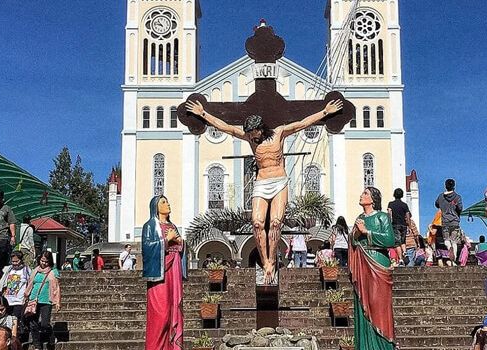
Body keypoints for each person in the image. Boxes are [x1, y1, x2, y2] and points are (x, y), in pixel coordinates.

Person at [186, 99, 343, 284]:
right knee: (257, 223)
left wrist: (325, 112)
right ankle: (266, 261)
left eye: (254, 132)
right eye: (250, 134)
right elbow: (226, 128)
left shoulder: (279, 133)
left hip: (279, 182)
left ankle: (272, 260)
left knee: (276, 223)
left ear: (261, 128)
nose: (252, 137)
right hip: (261, 182)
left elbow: (302, 124)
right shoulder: (249, 139)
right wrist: (203, 114)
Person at [350, 187, 396, 349]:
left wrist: (366, 231)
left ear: (373, 199)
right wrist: (355, 235)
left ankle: (383, 345)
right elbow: (354, 242)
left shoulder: (382, 217)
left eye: (365, 193)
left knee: (378, 305)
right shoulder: (359, 218)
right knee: (364, 303)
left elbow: (390, 239)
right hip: (362, 264)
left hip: (377, 262)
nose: (361, 195)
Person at [141, 195, 187, 350]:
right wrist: (167, 240)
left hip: (174, 272)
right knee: (161, 315)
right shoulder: (150, 226)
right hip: (159, 275)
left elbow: (179, 248)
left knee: (173, 310)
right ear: (156, 207)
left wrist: (181, 243)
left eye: (167, 201)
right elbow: (147, 249)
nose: (168, 204)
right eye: (163, 202)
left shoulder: (172, 225)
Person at [24, 251, 61, 350]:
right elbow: (30, 284)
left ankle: (51, 335)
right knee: (33, 324)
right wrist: (26, 295)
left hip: (46, 300)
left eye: (46, 262)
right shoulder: (35, 270)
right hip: (33, 299)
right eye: (42, 261)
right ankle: (37, 345)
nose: (43, 263)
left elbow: (57, 288)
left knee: (44, 323)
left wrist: (57, 302)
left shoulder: (53, 272)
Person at [0, 251, 31, 342]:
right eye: (13, 261)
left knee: (15, 320)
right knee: (6, 320)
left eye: (16, 261)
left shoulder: (26, 270)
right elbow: (3, 281)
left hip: (19, 300)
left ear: (21, 260)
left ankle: (15, 339)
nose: (14, 263)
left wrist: (27, 296)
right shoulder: (8, 269)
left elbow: (30, 283)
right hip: (7, 299)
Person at [435, 179, 463, 261]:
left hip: (445, 221)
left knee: (446, 240)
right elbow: (460, 208)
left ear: (445, 186)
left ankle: (449, 247)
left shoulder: (441, 196)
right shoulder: (457, 197)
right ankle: (453, 258)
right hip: (455, 221)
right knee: (454, 241)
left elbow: (436, 204)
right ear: (454, 186)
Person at [388, 188, 413, 264]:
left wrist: (389, 223)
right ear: (402, 195)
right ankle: (404, 252)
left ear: (394, 195)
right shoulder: (404, 205)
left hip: (395, 225)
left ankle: (400, 259)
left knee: (397, 243)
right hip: (404, 225)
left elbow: (389, 214)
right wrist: (409, 225)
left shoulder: (391, 204)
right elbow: (408, 215)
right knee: (403, 241)